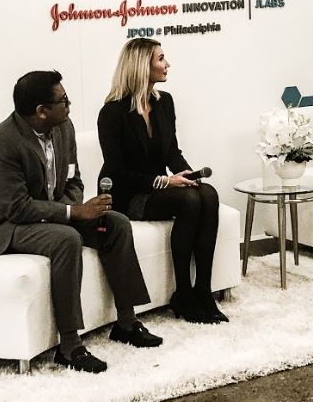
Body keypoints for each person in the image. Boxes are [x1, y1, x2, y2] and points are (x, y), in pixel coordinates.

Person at [0, 70, 162, 374]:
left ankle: (126, 322)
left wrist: (74, 208)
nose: (69, 105)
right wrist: (73, 214)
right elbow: (17, 207)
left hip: (50, 213)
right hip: (4, 226)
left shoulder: (63, 128)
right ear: (41, 111)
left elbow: (74, 180)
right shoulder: (2, 142)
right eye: (63, 100)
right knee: (66, 239)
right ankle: (69, 345)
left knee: (116, 224)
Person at [97, 38, 227, 324]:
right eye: (161, 59)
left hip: (158, 188)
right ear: (143, 66)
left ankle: (202, 290)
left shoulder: (164, 102)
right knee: (189, 199)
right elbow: (116, 172)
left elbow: (171, 152)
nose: (167, 64)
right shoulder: (112, 113)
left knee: (207, 193)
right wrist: (165, 183)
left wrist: (189, 176)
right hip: (128, 194)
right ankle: (182, 292)